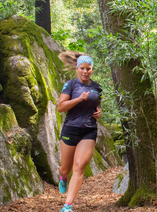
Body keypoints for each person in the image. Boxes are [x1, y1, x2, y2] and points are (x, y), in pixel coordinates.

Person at [57, 51, 103, 212]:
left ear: (92, 70)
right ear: (77, 69)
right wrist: (78, 99)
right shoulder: (70, 85)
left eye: (88, 69)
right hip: (71, 129)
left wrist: (99, 111)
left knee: (80, 166)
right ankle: (63, 178)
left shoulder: (97, 87)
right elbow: (60, 107)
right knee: (66, 168)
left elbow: (96, 105)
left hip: (89, 130)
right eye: (82, 68)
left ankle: (67, 206)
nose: (85, 71)